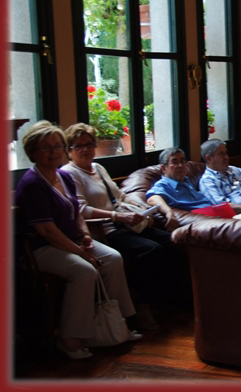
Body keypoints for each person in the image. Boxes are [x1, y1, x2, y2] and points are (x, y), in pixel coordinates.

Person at [13, 120, 141, 360]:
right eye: (46, 147)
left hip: (70, 240)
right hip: (40, 249)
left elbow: (77, 214)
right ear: (33, 152)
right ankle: (70, 339)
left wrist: (85, 237)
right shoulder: (32, 184)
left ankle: (120, 322)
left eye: (57, 146)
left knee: (113, 258)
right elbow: (46, 231)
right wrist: (80, 252)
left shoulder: (63, 176)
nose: (54, 152)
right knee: (84, 271)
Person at [61, 123, 188, 330]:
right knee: (149, 250)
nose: (85, 149)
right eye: (78, 146)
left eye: (89, 144)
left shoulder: (98, 168)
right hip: (106, 230)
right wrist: (118, 216)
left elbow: (119, 196)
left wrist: (141, 209)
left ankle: (165, 301)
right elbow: (81, 210)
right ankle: (143, 308)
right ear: (69, 151)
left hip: (126, 223)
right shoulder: (69, 173)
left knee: (172, 241)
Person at [146, 147, 214, 232]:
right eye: (174, 162)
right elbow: (152, 199)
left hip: (215, 211)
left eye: (182, 161)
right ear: (164, 168)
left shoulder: (185, 180)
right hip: (204, 221)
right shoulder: (164, 185)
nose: (180, 165)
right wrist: (168, 212)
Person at [199, 139, 241, 207]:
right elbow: (223, 206)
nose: (226, 157)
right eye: (221, 154)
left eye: (226, 153)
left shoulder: (233, 170)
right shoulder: (207, 181)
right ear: (209, 158)